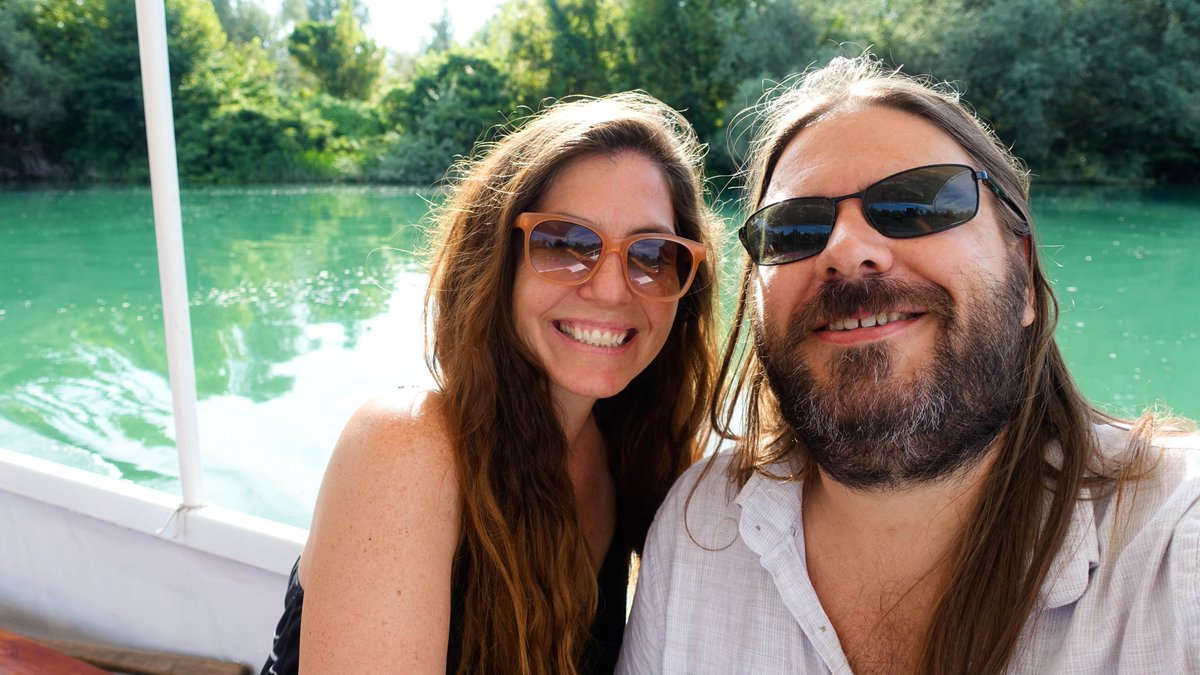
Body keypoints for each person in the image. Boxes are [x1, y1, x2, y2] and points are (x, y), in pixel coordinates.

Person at [618, 55, 1199, 674]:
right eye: (793, 229)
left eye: (917, 203)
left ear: (1025, 276)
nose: (846, 250)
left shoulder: (1176, 548)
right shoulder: (700, 524)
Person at [262, 92, 720, 675]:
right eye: (565, 243)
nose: (611, 289)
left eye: (652, 253)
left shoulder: (638, 455)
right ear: (496, 260)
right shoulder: (406, 446)